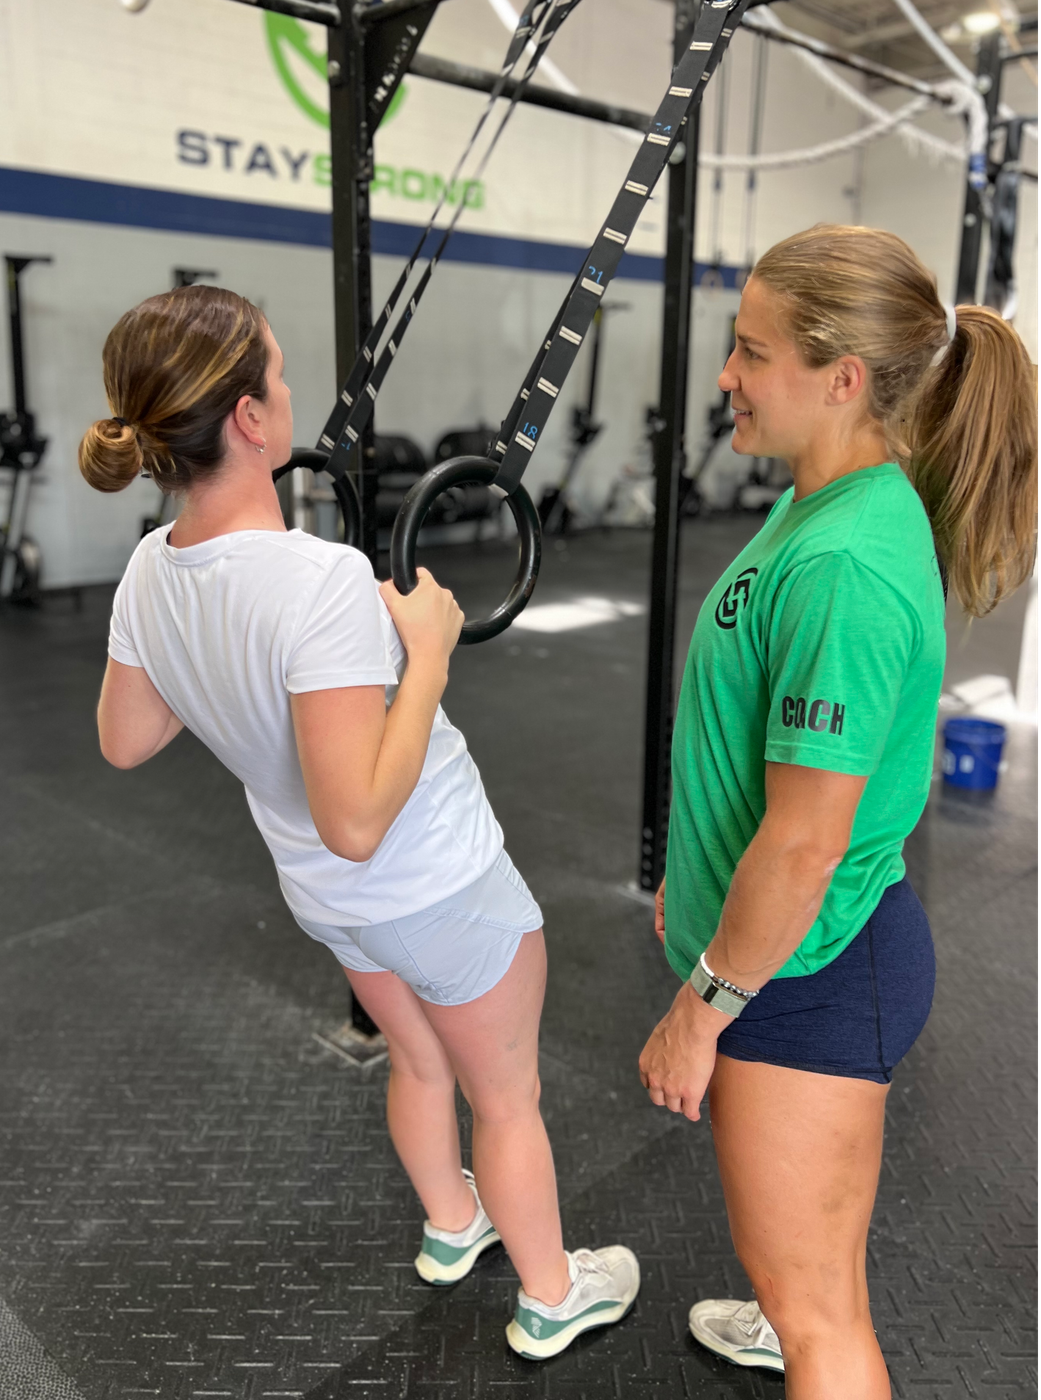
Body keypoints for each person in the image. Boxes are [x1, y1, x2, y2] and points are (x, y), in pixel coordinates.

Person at [78, 284, 639, 1361]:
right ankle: (554, 1291)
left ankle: (450, 1224)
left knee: (421, 1064)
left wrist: (217, 663)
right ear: (249, 418)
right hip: (436, 884)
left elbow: (125, 735)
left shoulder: (152, 567)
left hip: (333, 906)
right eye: (280, 374)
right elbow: (358, 818)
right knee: (506, 1094)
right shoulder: (322, 580)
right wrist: (428, 646)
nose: (288, 390)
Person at [638, 225, 1037, 1398]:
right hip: (796, 951)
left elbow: (810, 839)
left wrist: (702, 1008)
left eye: (751, 353)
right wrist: (696, 875)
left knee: (821, 1321)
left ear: (843, 377)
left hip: (805, 977)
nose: (727, 376)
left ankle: (803, 1320)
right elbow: (764, 769)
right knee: (806, 1279)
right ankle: (793, 1303)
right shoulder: (829, 500)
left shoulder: (848, 564)